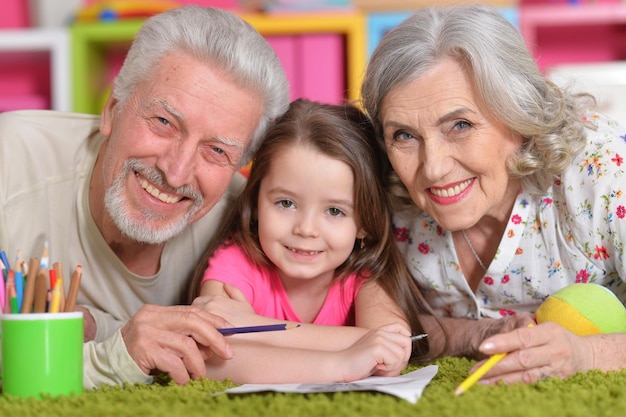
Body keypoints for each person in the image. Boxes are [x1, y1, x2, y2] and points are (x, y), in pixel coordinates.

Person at [0, 5, 289, 388]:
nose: (176, 171)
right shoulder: (10, 160)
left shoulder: (250, 220)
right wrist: (114, 356)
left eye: (217, 151)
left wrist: (102, 328)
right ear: (112, 110)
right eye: (164, 123)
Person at [360, 3, 626, 385]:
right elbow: (385, 318)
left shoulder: (602, 174)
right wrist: (477, 334)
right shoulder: (384, 187)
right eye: (404, 135)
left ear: (519, 116)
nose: (432, 167)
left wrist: (588, 353)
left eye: (460, 125)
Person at [188, 98, 430, 383]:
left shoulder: (366, 273)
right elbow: (209, 357)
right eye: (286, 203)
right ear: (255, 204)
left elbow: (392, 348)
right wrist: (341, 364)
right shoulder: (236, 264)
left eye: (335, 211)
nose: (306, 229)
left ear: (365, 223)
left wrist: (252, 327)